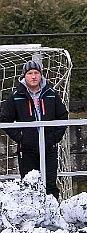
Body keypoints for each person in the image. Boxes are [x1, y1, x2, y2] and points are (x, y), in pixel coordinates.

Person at [0, 60, 68, 200]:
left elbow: (63, 116)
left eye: (36, 73)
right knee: (29, 185)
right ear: (24, 76)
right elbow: (4, 119)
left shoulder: (51, 94)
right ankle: (33, 218)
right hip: (27, 149)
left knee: (50, 185)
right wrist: (21, 138)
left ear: (41, 75)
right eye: (30, 73)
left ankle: (54, 215)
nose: (33, 76)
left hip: (49, 147)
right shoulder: (16, 96)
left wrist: (55, 137)